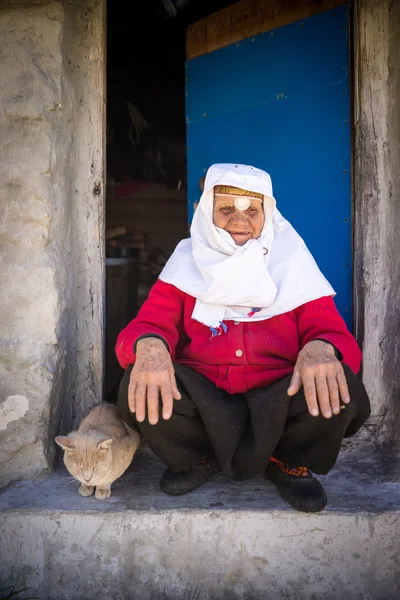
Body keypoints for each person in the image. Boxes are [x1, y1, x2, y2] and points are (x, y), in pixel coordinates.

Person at [116, 163, 370, 512]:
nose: (240, 220)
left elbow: (335, 336)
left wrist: (320, 347)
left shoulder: (291, 261)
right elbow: (147, 325)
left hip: (279, 397)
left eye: (253, 210)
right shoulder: (186, 261)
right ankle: (193, 457)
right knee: (137, 379)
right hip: (206, 399)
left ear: (267, 214)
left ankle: (290, 460)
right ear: (208, 212)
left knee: (341, 382)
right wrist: (149, 346)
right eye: (226, 210)